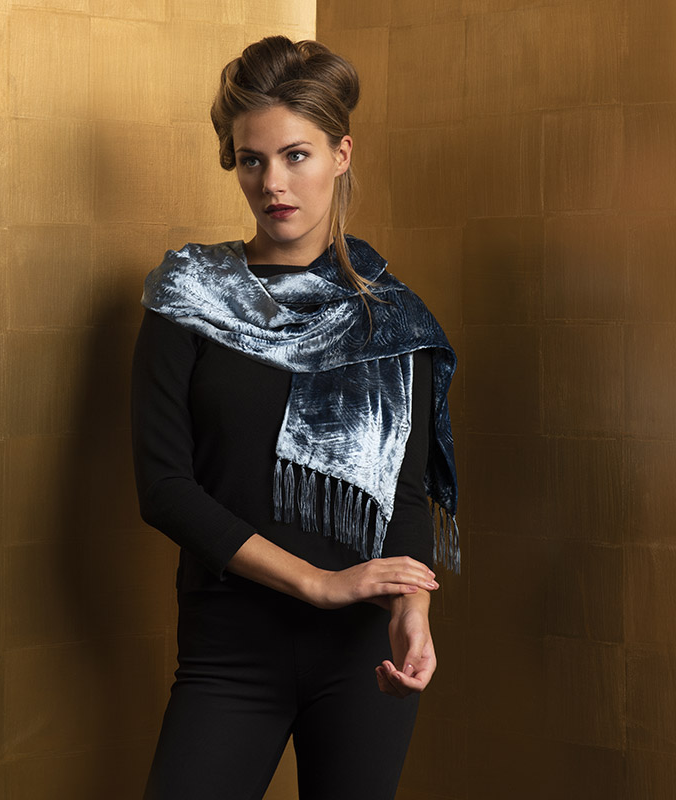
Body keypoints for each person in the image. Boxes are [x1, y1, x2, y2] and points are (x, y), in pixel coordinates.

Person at [131, 35, 459, 800]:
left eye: (295, 156)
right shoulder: (188, 297)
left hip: (362, 654)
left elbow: (404, 496)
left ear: (341, 155)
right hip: (230, 648)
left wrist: (412, 611)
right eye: (252, 160)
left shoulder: (393, 320)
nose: (272, 182)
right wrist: (316, 583)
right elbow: (165, 489)